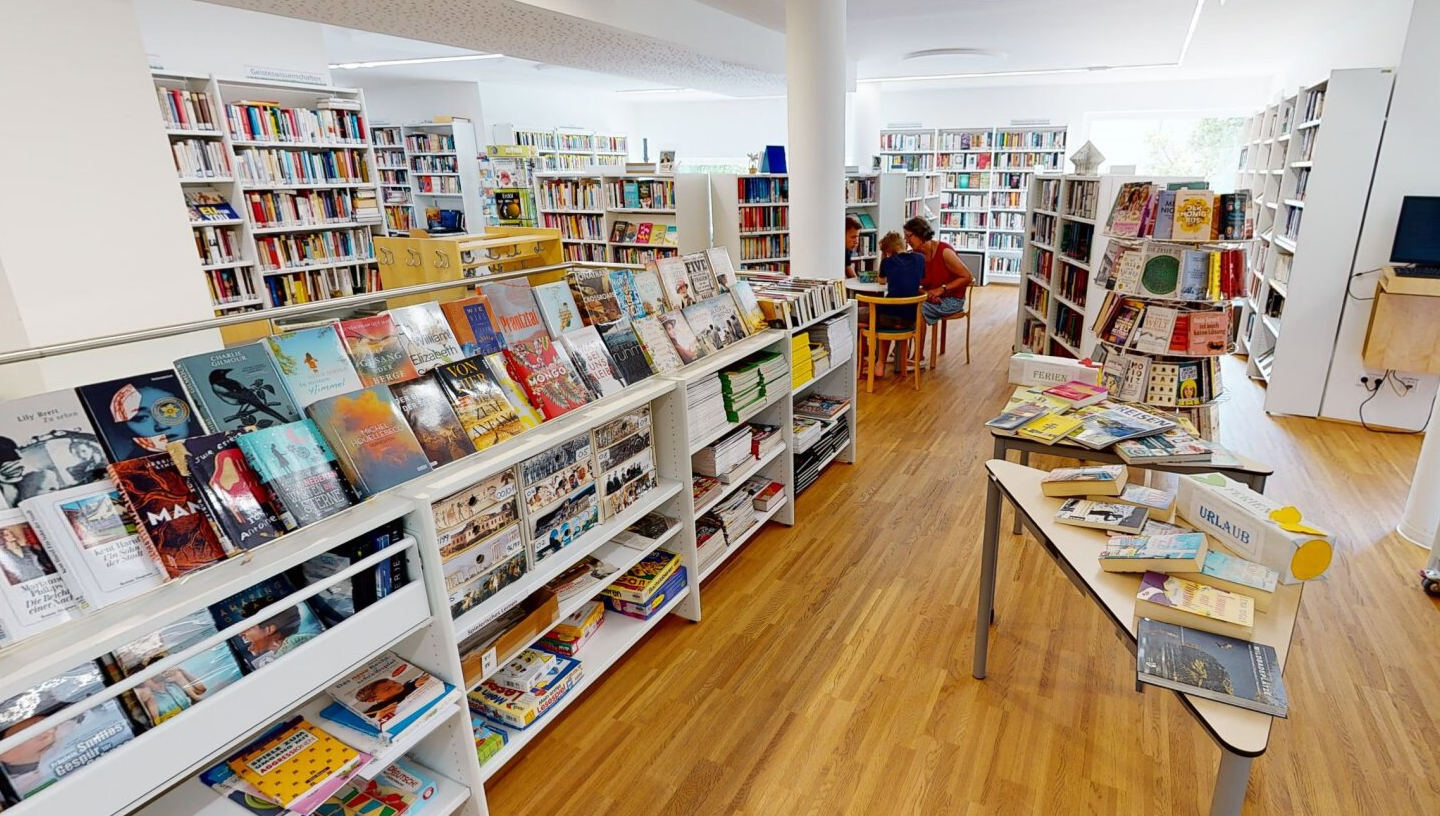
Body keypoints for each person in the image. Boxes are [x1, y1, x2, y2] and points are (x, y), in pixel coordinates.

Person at [903, 216, 974, 363]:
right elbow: (913, 283)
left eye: (909, 236)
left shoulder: (944, 252)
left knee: (919, 309)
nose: (907, 241)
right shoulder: (915, 256)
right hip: (929, 297)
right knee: (902, 305)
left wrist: (942, 289)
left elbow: (967, 277)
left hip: (952, 299)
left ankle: (918, 357)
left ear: (921, 234)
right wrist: (927, 294)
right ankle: (900, 352)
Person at [876, 231, 924, 330]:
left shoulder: (888, 261)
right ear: (904, 244)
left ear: (888, 251)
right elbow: (920, 278)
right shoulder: (920, 258)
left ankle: (869, 340)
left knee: (856, 313)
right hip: (911, 318)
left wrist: (883, 255)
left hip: (888, 316)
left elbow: (881, 281)